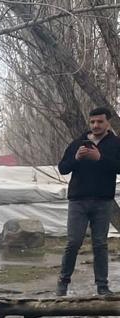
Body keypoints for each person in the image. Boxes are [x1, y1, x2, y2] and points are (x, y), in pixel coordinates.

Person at [56, 106, 120, 296]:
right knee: (73, 242)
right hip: (78, 200)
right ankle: (62, 283)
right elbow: (63, 168)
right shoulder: (78, 143)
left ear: (108, 122)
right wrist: (76, 158)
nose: (95, 125)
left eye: (100, 121)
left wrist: (100, 158)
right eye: (92, 122)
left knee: (100, 244)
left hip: (103, 200)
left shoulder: (116, 144)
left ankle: (102, 286)